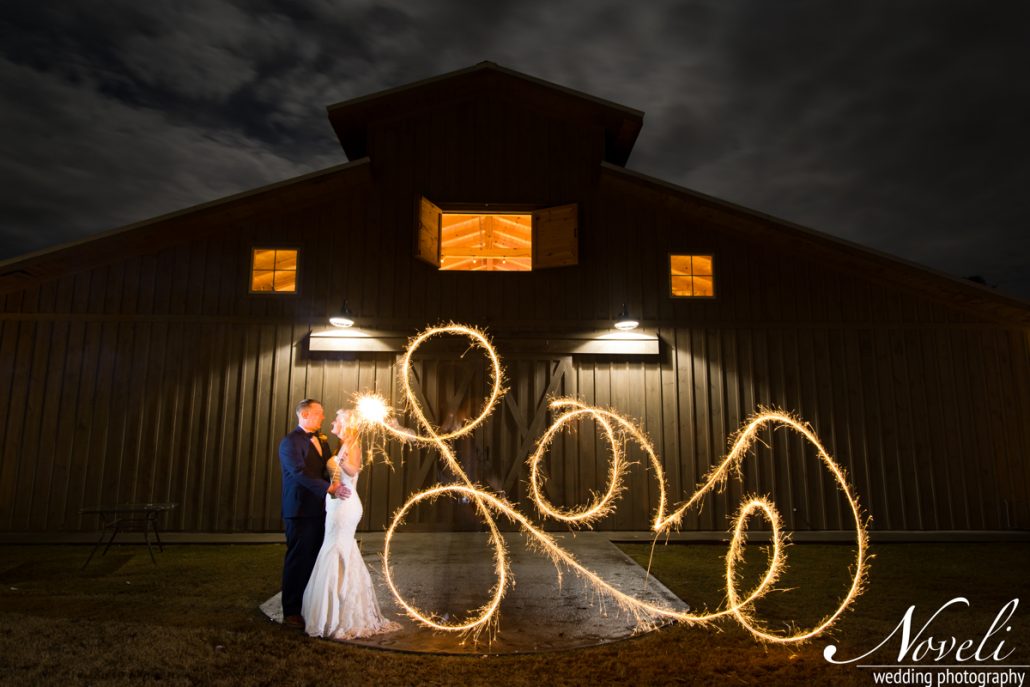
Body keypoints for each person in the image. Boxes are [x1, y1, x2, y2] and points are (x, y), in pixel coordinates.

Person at [301, 408, 401, 639]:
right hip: (336, 503)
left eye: (337, 420)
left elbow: (354, 470)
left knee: (337, 548)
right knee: (333, 547)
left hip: (345, 506)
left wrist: (343, 463)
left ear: (346, 425)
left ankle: (341, 613)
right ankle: (331, 608)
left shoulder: (353, 446)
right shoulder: (341, 446)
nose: (333, 422)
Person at [277, 399, 351, 630]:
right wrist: (329, 488)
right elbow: (299, 472)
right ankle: (291, 610)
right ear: (306, 414)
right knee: (298, 560)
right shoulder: (290, 442)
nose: (322, 417)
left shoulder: (322, 440)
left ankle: (310, 605)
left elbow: (330, 466)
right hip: (299, 510)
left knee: (317, 559)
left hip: (322, 509)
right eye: (319, 413)